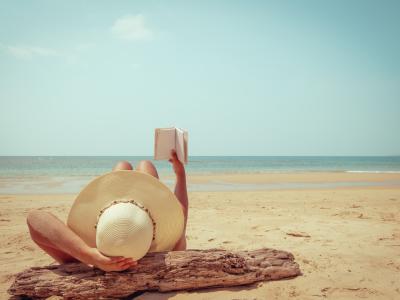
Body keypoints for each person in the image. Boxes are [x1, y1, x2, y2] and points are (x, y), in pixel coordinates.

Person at [26, 150, 188, 272]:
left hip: (96, 256)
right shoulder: (168, 252)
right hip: (144, 245)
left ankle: (124, 185)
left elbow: (35, 218)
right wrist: (180, 174)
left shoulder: (83, 264)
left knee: (122, 167)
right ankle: (132, 184)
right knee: (145, 165)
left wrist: (90, 255)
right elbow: (181, 213)